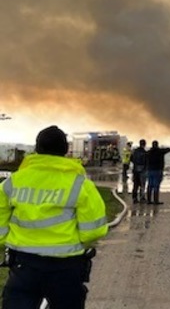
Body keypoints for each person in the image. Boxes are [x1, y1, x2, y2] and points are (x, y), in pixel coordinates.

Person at [0, 125, 108, 308]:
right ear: (66, 151)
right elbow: (94, 231)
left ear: (37, 149)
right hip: (65, 267)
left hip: (23, 266)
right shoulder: (81, 185)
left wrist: (9, 240)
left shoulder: (12, 182)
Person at [146, 141, 170, 205]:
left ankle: (148, 200)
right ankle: (155, 201)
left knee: (150, 185)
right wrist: (162, 148)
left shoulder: (149, 152)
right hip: (157, 170)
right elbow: (169, 149)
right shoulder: (160, 152)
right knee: (156, 186)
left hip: (150, 170)